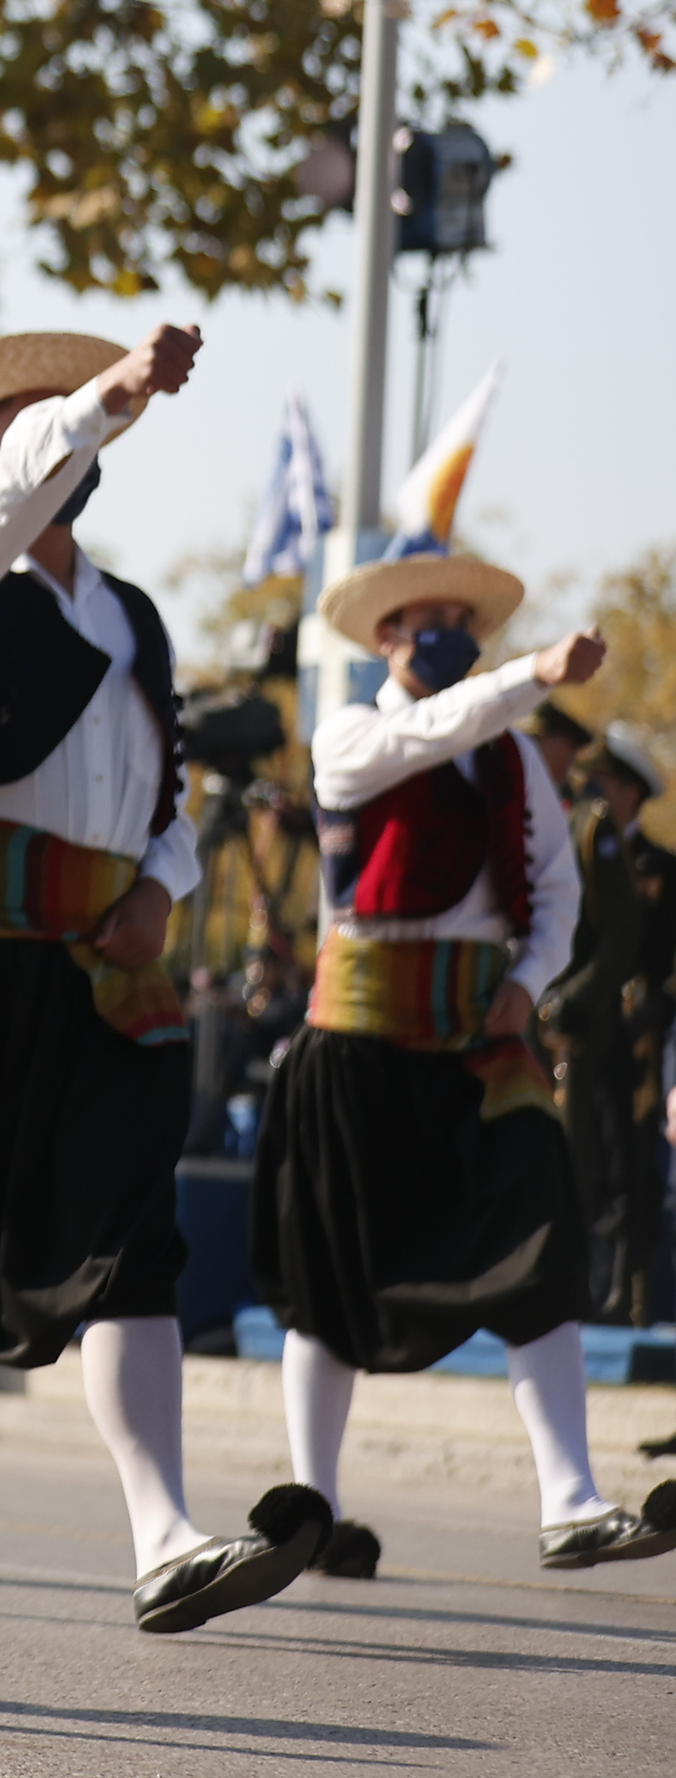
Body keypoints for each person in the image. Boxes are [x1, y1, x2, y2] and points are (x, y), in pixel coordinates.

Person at [0, 321, 327, 1634]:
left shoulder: (129, 614)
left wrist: (162, 886)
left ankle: (165, 1538)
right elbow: (3, 506)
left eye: (77, 425)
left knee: (127, 1245)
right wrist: (105, 394)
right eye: (33, 428)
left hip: (87, 978)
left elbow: (166, 800)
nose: (67, 448)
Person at [258, 561, 676, 1575]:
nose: (447, 630)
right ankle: (317, 1506)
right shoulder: (348, 734)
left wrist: (528, 983)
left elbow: (556, 888)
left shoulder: (517, 758)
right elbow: (427, 736)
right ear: (384, 638)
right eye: (425, 619)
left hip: (481, 1044)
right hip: (357, 1040)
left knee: (543, 1240)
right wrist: (533, 675)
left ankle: (570, 1499)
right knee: (332, 1277)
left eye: (460, 617)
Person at [551, 723, 668, 1327]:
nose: (593, 790)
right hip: (584, 1031)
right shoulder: (575, 844)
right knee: (583, 1156)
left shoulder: (661, 868)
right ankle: (586, 1285)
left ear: (630, 792)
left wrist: (650, 1014)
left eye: (605, 782)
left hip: (635, 1036)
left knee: (629, 1161)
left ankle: (628, 1290)